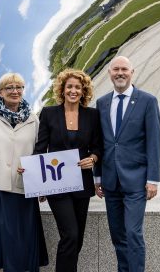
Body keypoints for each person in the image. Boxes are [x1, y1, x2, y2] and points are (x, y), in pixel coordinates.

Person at [0, 72, 48, 271]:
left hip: (24, 189)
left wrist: (41, 184)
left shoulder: (33, 118)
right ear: (0, 92)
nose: (15, 91)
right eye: (9, 88)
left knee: (22, 244)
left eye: (18, 87)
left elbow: (40, 151)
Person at [94, 56, 160, 272]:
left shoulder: (147, 101)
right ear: (109, 73)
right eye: (116, 69)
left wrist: (153, 179)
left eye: (124, 69)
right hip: (110, 182)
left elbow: (154, 142)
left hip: (136, 181)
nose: (120, 73)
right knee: (118, 235)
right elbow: (100, 143)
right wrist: (97, 177)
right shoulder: (102, 103)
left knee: (133, 233)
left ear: (132, 72)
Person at [34, 69, 102, 272]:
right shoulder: (49, 113)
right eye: (69, 86)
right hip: (57, 184)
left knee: (77, 238)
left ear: (83, 91)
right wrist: (37, 181)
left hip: (82, 184)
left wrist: (93, 158)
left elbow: (98, 147)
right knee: (70, 235)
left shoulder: (92, 115)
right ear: (62, 90)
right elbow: (40, 149)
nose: (73, 91)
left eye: (78, 87)